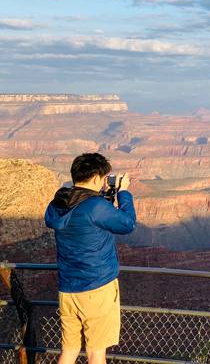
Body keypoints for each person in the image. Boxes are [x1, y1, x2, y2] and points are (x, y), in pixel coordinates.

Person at [44, 153, 136, 364]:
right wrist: (123, 193)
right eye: (105, 179)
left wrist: (103, 197)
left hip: (68, 290)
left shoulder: (58, 205)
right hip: (97, 288)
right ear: (96, 178)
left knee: (69, 351)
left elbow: (81, 211)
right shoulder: (94, 207)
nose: (105, 183)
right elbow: (128, 224)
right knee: (96, 353)